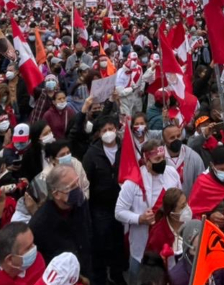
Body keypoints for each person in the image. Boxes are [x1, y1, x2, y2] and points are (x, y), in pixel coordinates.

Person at [115, 139, 181, 283]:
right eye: (157, 159)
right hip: (141, 244)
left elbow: (180, 201)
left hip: (166, 243)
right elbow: (119, 211)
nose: (162, 161)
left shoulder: (172, 174)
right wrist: (139, 218)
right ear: (146, 159)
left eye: (163, 158)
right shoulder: (133, 181)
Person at [81, 116, 126, 285]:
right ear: (99, 134)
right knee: (100, 242)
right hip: (100, 207)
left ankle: (117, 273)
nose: (108, 133)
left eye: (111, 129)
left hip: (121, 203)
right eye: (104, 130)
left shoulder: (125, 148)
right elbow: (86, 181)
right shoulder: (92, 154)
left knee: (118, 241)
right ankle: (100, 277)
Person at [29, 164, 92, 276]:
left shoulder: (80, 203)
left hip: (86, 267)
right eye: (71, 187)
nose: (77, 188)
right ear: (57, 194)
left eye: (77, 182)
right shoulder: (39, 224)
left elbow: (87, 232)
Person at [144, 188, 189, 266]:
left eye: (186, 203)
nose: (187, 209)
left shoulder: (191, 222)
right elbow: (152, 266)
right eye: (182, 207)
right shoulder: (157, 236)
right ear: (172, 214)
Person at [162, 122, 204, 196]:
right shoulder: (159, 159)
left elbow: (202, 184)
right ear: (165, 141)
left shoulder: (194, 157)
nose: (176, 139)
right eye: (172, 138)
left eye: (178, 136)